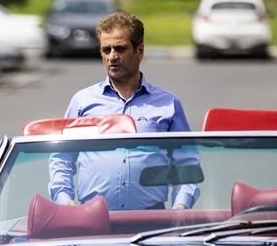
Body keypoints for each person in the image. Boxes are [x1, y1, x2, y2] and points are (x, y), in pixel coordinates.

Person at [49, 11, 200, 210]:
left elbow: (186, 163)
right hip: (93, 219)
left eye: (120, 48)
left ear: (140, 51)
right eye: (106, 49)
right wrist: (64, 200)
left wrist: (181, 205)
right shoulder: (82, 102)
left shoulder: (168, 104)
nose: (112, 56)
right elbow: (62, 158)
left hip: (151, 221)